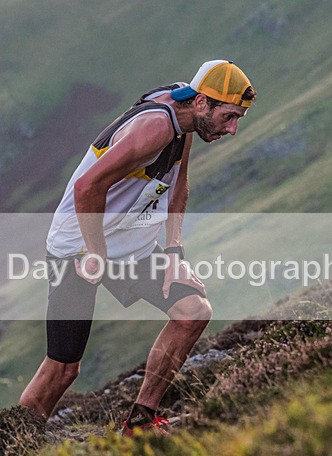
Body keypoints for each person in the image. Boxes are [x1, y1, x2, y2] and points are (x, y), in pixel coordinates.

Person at [19, 60, 256, 436]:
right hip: (79, 244)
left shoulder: (186, 118)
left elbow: (179, 186)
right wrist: (96, 255)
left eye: (238, 118)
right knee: (63, 368)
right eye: (228, 117)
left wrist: (174, 254)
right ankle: (10, 445)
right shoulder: (156, 127)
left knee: (192, 312)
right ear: (201, 103)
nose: (233, 128)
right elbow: (86, 189)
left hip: (129, 244)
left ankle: (140, 421)